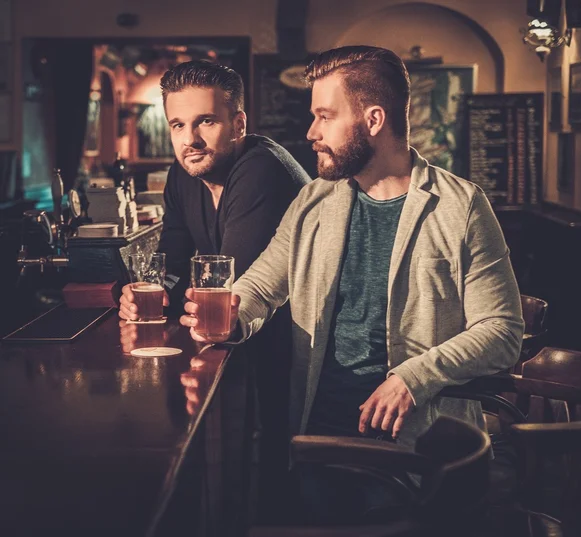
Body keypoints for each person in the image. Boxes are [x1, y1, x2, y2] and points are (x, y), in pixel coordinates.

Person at [180, 46, 524, 521]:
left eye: (324, 116)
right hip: (314, 439)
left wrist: (413, 377)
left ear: (374, 119)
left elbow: (502, 331)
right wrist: (230, 317)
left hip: (413, 448)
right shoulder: (315, 201)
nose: (311, 132)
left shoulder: (459, 206)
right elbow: (262, 285)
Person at [117, 60, 311, 516]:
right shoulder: (183, 174)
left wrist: (172, 290)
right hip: (246, 343)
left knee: (266, 475)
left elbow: (231, 291)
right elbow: (174, 264)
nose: (190, 140)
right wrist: (143, 292)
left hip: (301, 345)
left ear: (238, 122)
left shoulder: (261, 169)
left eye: (206, 120)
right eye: (178, 125)